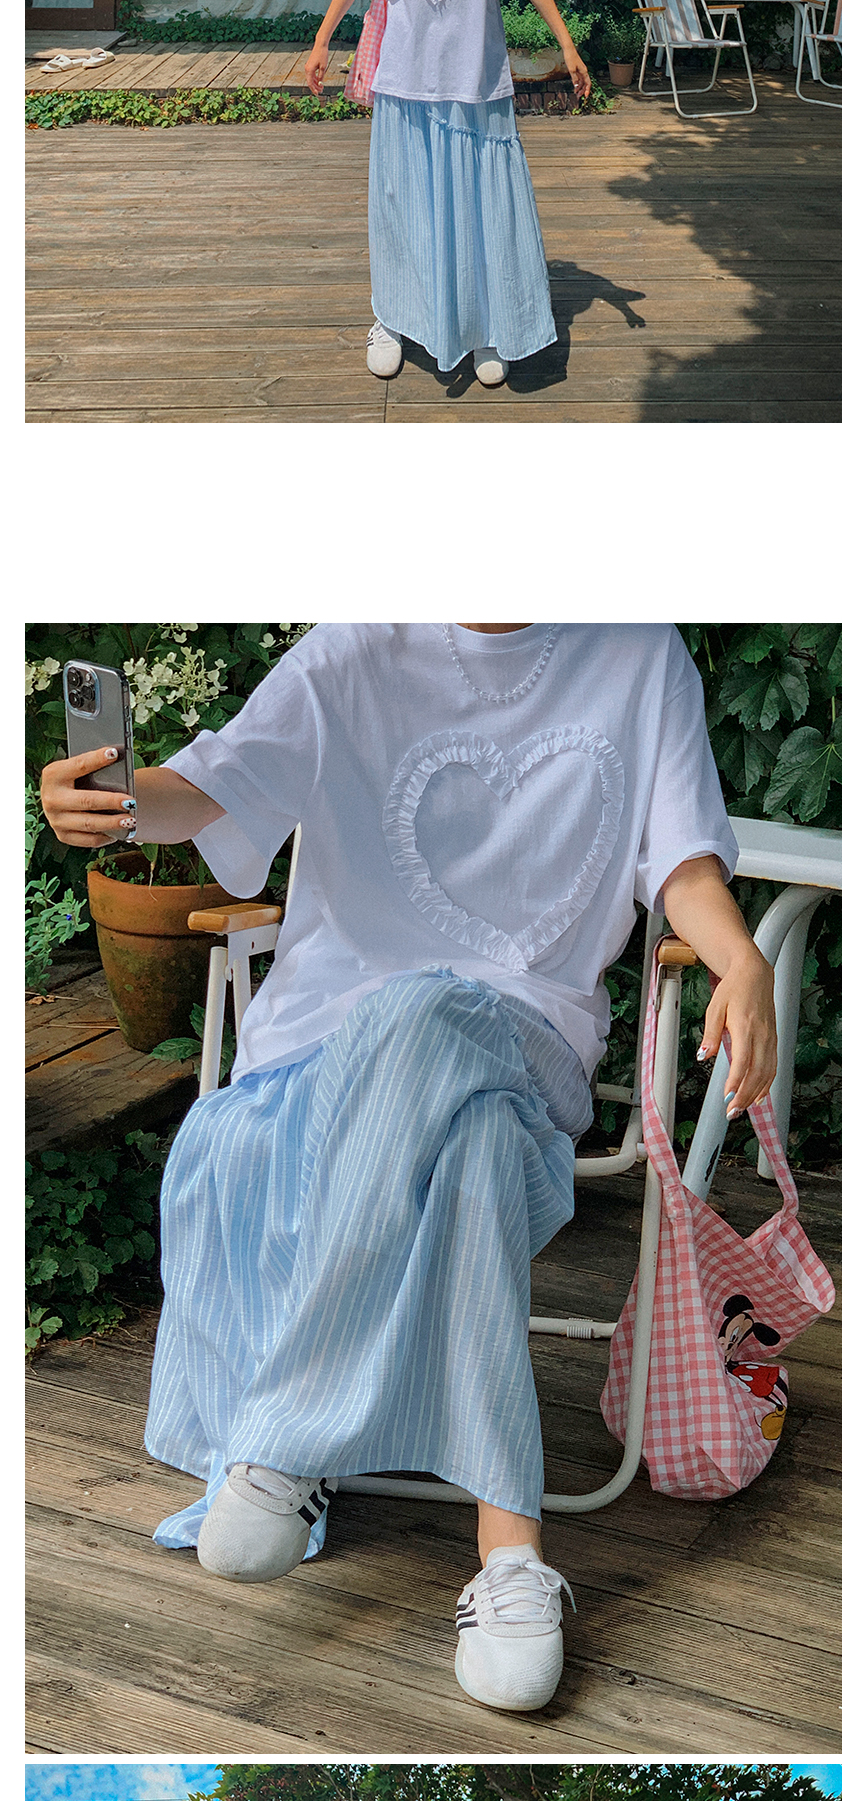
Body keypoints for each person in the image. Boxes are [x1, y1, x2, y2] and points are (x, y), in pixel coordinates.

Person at [40, 620, 777, 1715]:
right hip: (329, 1055)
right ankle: (510, 1555)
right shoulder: (355, 648)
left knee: (423, 1008)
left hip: (526, 1042)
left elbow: (682, 861)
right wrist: (115, 801)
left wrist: (741, 958)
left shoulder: (637, 653)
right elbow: (217, 783)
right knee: (468, 1149)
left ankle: (287, 1438)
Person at [304, 0, 591, 388]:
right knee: (401, 208)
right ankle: (392, 319)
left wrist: (567, 44)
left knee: (483, 212)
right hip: (404, 79)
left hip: (474, 79)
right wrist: (323, 38)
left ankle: (485, 326)